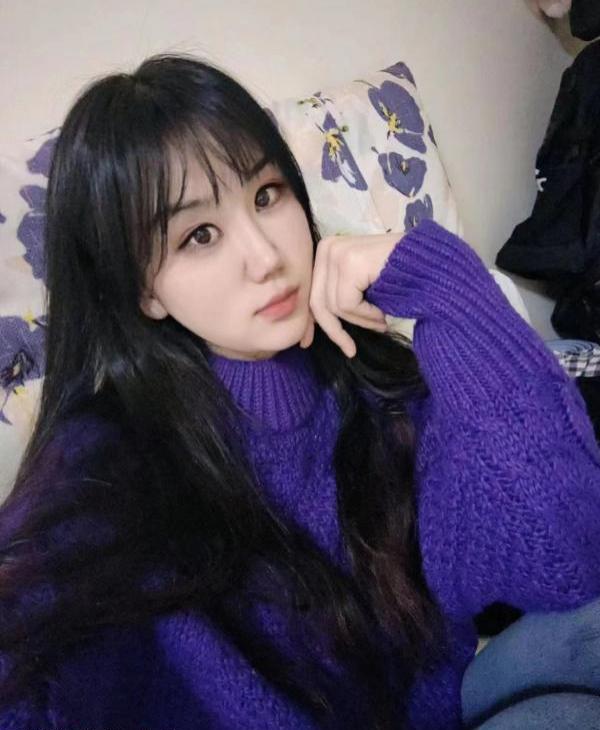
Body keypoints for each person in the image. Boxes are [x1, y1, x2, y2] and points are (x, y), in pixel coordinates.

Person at [0, 53, 599, 730]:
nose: (267, 258)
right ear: (145, 291)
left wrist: (444, 283)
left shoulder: (374, 381)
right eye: (199, 235)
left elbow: (565, 556)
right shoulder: (108, 460)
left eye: (266, 195)